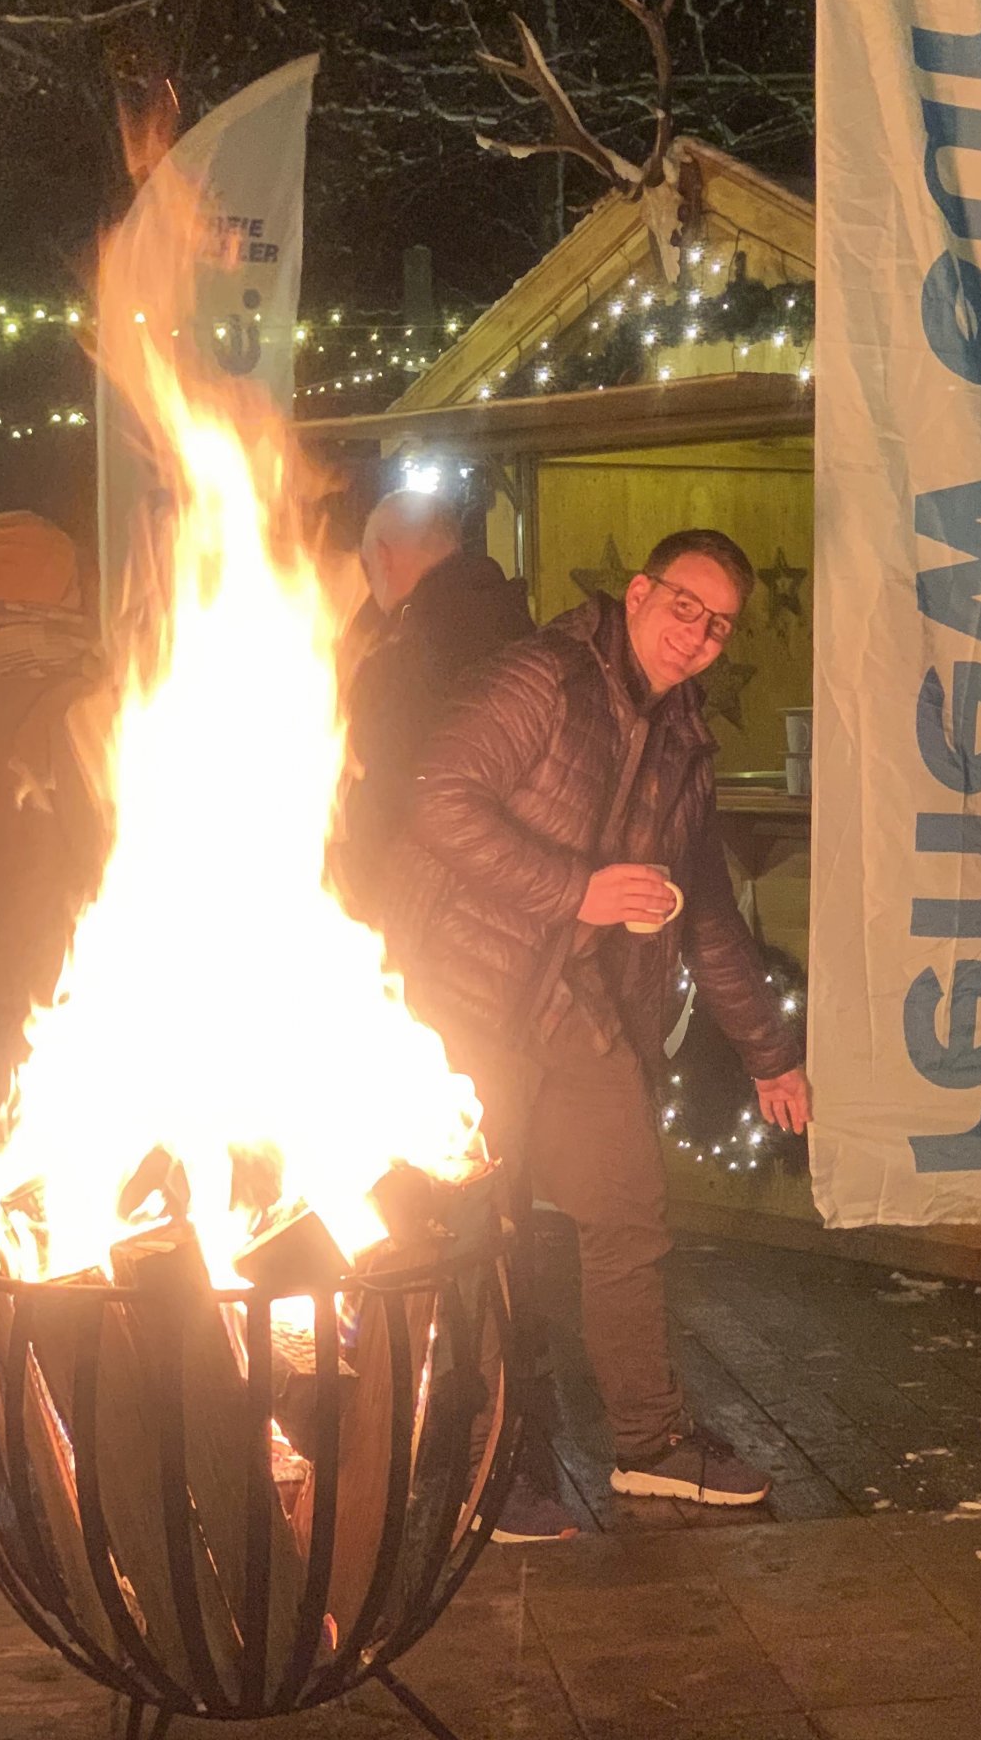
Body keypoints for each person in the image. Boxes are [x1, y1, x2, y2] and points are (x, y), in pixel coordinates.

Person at [388, 527, 811, 1511]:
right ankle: (490, 1456)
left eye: (719, 625)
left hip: (577, 1006)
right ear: (638, 594)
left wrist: (769, 1052)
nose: (697, 634)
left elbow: (707, 909)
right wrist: (579, 889)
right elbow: (438, 801)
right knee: (476, 1231)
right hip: (467, 996)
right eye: (684, 607)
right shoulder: (543, 678)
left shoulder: (683, 739)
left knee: (625, 1208)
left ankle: (649, 1440)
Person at [0, 513, 105, 1219]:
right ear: (65, 594)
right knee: (20, 1209)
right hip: (38, 996)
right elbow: (112, 850)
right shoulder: (78, 704)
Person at [335, 489, 533, 922]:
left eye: (367, 566)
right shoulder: (518, 627)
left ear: (382, 556)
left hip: (427, 908)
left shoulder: (403, 660)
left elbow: (382, 792)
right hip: (515, 894)